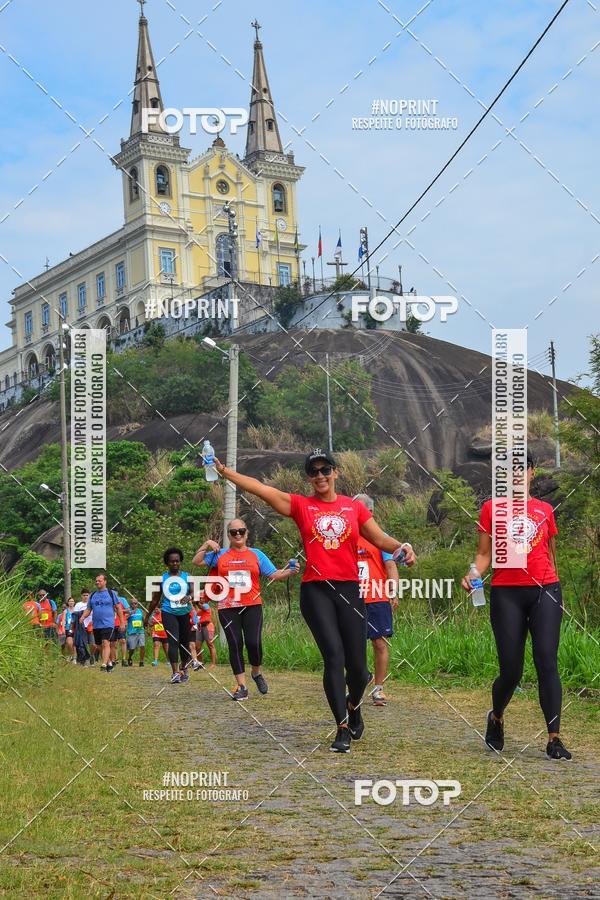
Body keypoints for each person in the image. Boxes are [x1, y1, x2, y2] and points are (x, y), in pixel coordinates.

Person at [211, 450, 416, 751]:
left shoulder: (353, 508)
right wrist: (226, 472)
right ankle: (342, 727)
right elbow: (260, 488)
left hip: (349, 590)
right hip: (316, 590)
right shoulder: (301, 505)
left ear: (335, 473)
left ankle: (354, 706)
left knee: (359, 670)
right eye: (314, 471)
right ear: (309, 477)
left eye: (325, 469)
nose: (320, 475)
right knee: (334, 657)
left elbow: (381, 540)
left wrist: (404, 547)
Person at [462, 451, 571, 761]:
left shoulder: (545, 510)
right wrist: (474, 573)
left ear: (532, 472)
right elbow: (483, 555)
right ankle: (496, 716)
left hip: (545, 591)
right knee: (511, 671)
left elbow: (550, 554)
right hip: (507, 593)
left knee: (547, 661)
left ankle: (554, 739)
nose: (515, 473)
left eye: (522, 468)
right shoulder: (491, 509)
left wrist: (556, 592)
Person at [193, 519, 296, 700]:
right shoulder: (220, 555)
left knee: (254, 643)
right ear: (229, 536)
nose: (238, 534)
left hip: (252, 605)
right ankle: (242, 686)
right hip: (228, 607)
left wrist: (290, 571)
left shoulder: (256, 554)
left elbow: (274, 574)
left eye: (241, 530)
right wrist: (207, 543)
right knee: (235, 644)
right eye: (233, 532)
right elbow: (197, 561)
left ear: (247, 533)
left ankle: (256, 672)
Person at [354, 494, 399, 706]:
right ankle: (362, 677)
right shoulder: (346, 536)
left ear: (370, 513)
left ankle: (379, 688)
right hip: (352, 597)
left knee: (379, 642)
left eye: (360, 510)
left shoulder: (381, 537)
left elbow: (391, 565)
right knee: (351, 645)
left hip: (376, 596)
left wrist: (393, 589)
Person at [144, 548, 194, 684]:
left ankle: (184, 668)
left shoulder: (187, 577)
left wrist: (189, 596)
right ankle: (175, 673)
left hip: (184, 613)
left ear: (180, 562)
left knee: (184, 643)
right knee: (173, 641)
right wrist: (147, 616)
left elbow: (195, 593)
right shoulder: (163, 579)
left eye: (177, 561)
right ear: (167, 563)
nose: (175, 564)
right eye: (172, 561)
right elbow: (155, 599)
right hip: (168, 612)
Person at [81, 574, 125, 672]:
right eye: (96, 581)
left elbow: (118, 608)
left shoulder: (111, 593)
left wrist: (122, 622)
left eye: (99, 581)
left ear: (105, 582)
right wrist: (83, 617)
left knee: (106, 642)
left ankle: (104, 664)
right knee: (99, 646)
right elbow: (88, 609)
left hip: (108, 623)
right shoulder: (92, 595)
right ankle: (109, 663)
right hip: (96, 624)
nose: (97, 582)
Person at [196, 589, 217, 668]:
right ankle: (200, 663)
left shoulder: (206, 605)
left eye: (202, 598)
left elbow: (201, 606)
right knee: (197, 646)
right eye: (199, 598)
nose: (201, 599)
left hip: (208, 626)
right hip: (200, 628)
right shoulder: (199, 611)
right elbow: (196, 619)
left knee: (210, 645)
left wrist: (196, 602)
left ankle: (213, 664)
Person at [72, 590, 92, 666]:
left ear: (89, 595)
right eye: (84, 595)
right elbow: (75, 615)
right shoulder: (78, 605)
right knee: (82, 644)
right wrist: (85, 611)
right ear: (81, 596)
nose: (85, 596)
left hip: (91, 626)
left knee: (93, 644)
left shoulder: (92, 604)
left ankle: (91, 656)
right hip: (81, 627)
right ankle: (85, 659)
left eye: (87, 595)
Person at [111, 595, 130, 668]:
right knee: (113, 643)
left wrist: (119, 610)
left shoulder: (122, 599)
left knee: (123, 640)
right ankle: (114, 659)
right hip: (111, 624)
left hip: (121, 623)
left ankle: (124, 659)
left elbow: (128, 609)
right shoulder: (109, 600)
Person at [126, 597, 146, 666]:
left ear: (137, 604)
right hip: (132, 632)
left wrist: (147, 626)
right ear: (131, 604)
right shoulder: (128, 611)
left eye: (135, 603)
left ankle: (141, 661)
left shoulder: (140, 611)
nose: (134, 605)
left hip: (140, 631)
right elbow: (125, 618)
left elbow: (144, 620)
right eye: (132, 603)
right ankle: (129, 658)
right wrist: (130, 613)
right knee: (132, 648)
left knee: (142, 646)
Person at [57, 597, 77, 663]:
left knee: (75, 644)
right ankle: (72, 655)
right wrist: (63, 629)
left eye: (72, 601)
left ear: (74, 602)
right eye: (70, 601)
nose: (71, 602)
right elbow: (63, 620)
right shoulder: (66, 611)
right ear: (68, 603)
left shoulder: (76, 610)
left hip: (76, 629)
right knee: (69, 643)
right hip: (68, 628)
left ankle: (75, 658)